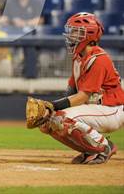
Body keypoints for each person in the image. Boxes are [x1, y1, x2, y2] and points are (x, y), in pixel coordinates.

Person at [30, 12, 124, 164]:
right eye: (71, 31)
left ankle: (104, 147)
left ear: (89, 35)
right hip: (96, 108)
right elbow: (71, 92)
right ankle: (90, 151)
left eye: (76, 32)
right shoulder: (78, 57)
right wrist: (49, 111)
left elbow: (82, 97)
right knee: (47, 123)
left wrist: (51, 105)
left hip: (112, 109)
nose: (71, 35)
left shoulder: (99, 59)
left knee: (62, 118)